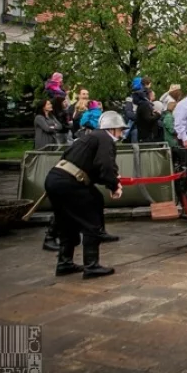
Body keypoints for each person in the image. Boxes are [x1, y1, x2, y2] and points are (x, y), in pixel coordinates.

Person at [44, 111, 126, 278]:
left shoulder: (90, 137)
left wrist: (109, 181)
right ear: (113, 129)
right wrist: (114, 185)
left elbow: (89, 167)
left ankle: (64, 263)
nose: (122, 133)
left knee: (68, 221)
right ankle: (91, 266)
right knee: (91, 218)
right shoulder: (105, 138)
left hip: (56, 178)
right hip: (70, 183)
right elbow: (105, 165)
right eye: (120, 130)